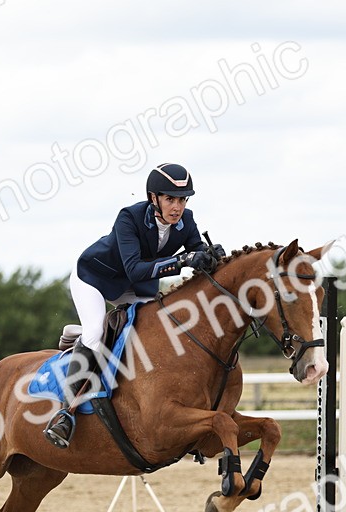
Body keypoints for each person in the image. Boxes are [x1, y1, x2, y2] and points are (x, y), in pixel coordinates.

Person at [43, 163, 225, 448]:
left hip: (135, 288)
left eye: (182, 199)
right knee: (94, 334)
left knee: (155, 331)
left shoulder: (186, 220)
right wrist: (182, 261)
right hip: (96, 278)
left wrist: (211, 255)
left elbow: (196, 249)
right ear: (154, 198)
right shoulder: (129, 217)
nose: (177, 207)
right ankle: (66, 413)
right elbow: (135, 269)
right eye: (170, 199)